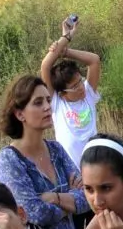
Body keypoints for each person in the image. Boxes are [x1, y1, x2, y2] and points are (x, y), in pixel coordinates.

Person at [0, 75, 87, 229]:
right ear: (20, 114)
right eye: (38, 103)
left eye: (47, 100)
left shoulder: (56, 149)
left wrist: (55, 198)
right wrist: (70, 199)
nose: (47, 107)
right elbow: (35, 212)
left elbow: (88, 196)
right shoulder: (10, 159)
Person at [39, 17, 103, 169]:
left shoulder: (88, 94)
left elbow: (94, 60)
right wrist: (66, 37)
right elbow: (45, 66)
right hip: (71, 172)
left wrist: (65, 51)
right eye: (74, 87)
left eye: (80, 81)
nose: (81, 87)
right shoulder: (57, 102)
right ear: (62, 93)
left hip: (95, 166)